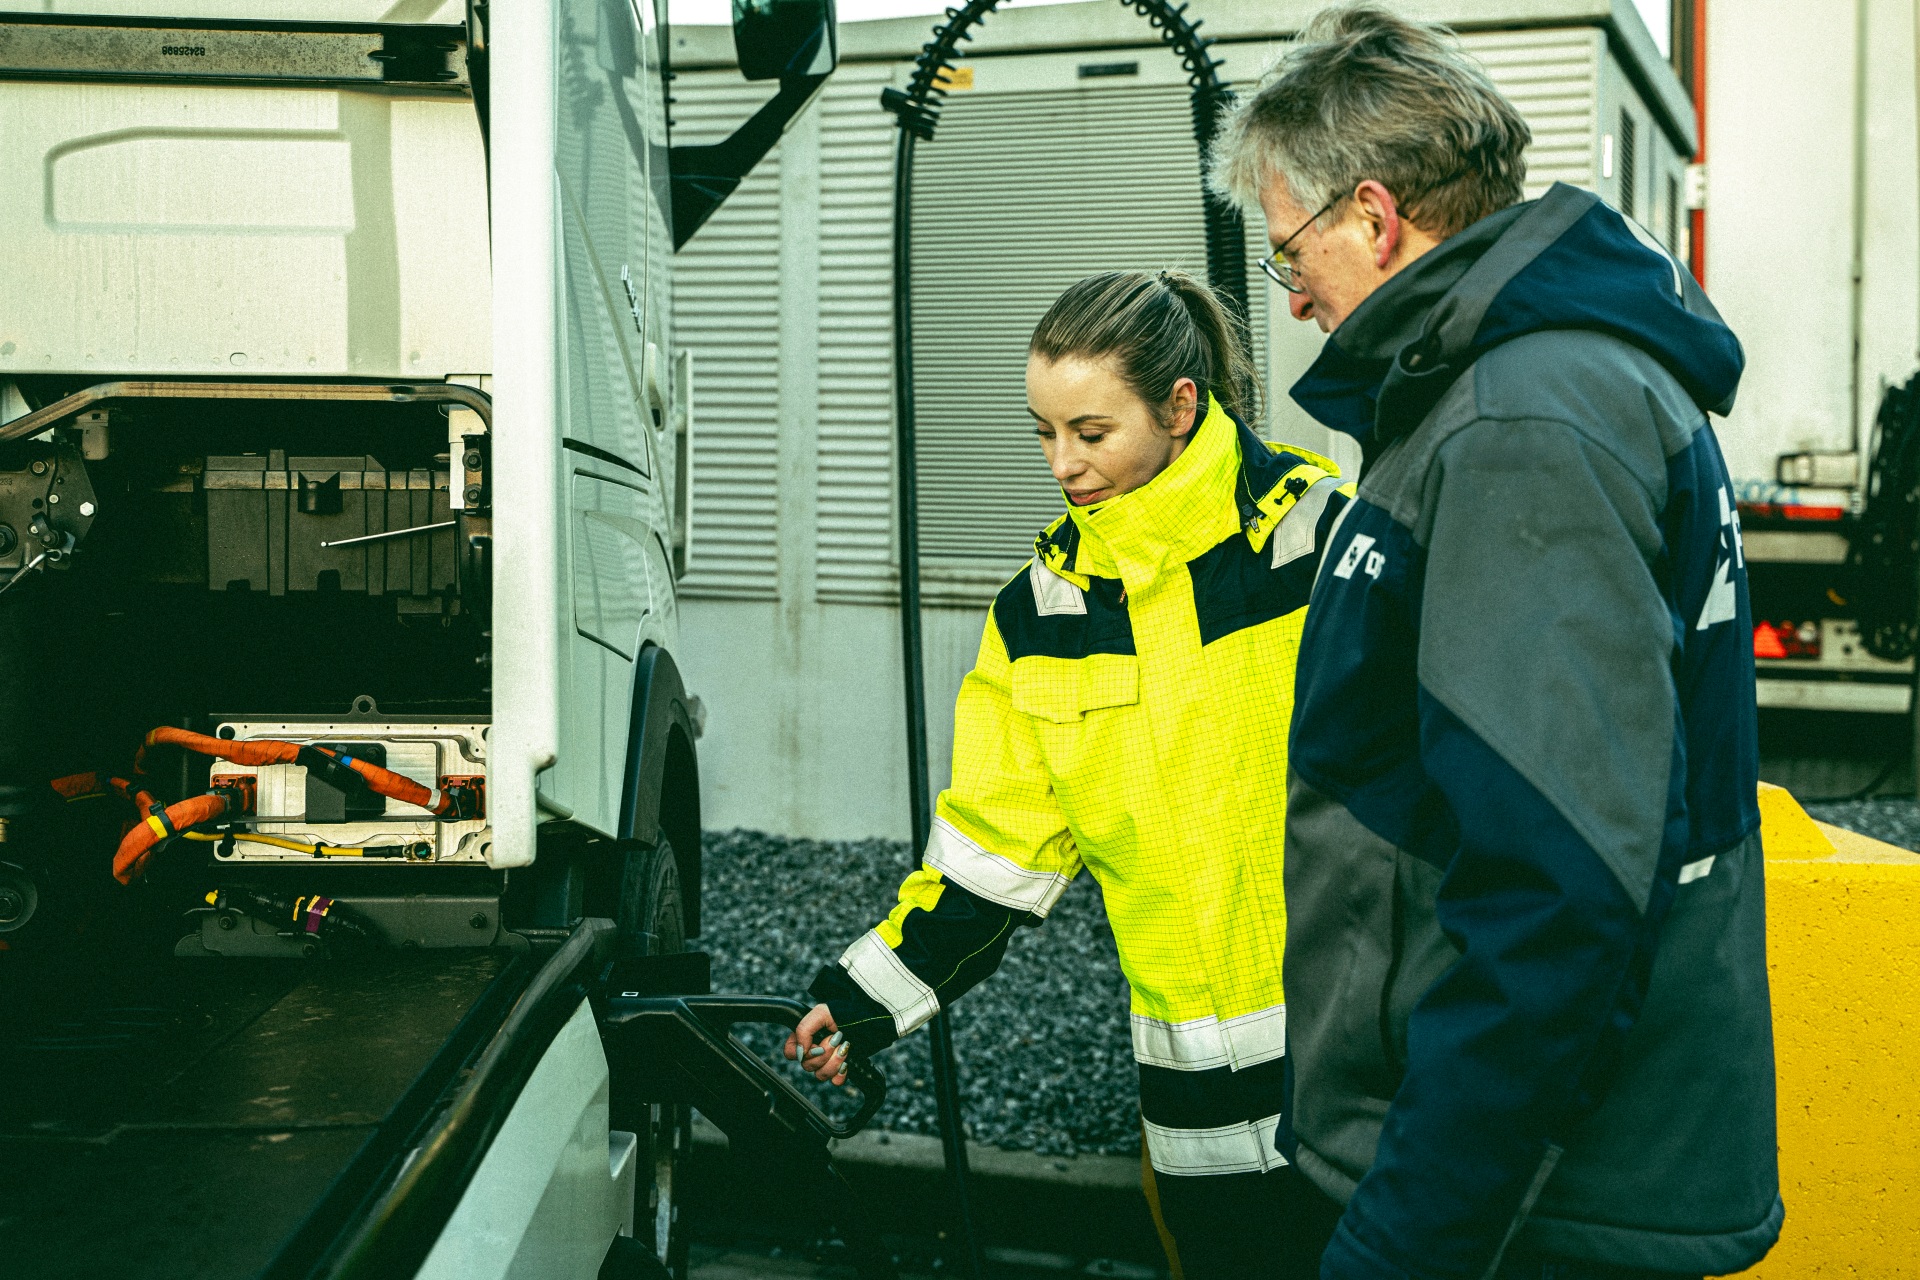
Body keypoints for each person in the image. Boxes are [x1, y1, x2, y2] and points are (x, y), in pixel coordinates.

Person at [1206, 7, 1780, 1280]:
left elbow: (1558, 885)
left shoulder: (1515, 423)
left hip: (1539, 1208)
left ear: (1374, 215)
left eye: (1287, 240)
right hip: (1552, 1180)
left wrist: (1408, 1236)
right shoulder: (1529, 391)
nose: (1286, 290)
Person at [784, 267, 1354, 1278]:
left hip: (1367, 1084)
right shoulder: (1041, 615)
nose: (1064, 463)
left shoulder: (1318, 538)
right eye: (1044, 433)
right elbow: (990, 856)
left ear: (1181, 406)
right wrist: (864, 999)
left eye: (1092, 433)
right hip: (1201, 1124)